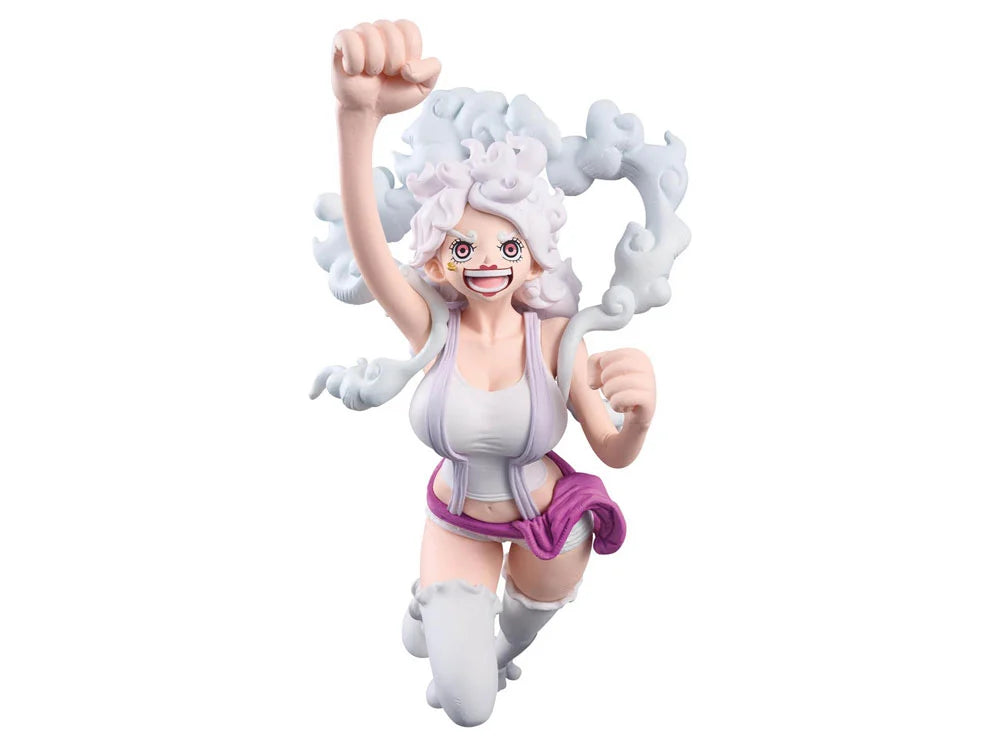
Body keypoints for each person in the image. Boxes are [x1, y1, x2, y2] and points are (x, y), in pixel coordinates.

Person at [327, 19, 660, 727]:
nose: (486, 261)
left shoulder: (556, 337)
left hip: (551, 529)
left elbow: (611, 450)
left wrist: (640, 417)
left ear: (534, 258)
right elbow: (370, 247)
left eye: (508, 247)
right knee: (469, 707)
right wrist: (357, 119)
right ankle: (439, 607)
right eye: (464, 246)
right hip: (458, 520)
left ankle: (494, 640)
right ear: (439, 254)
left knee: (507, 640)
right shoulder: (432, 327)